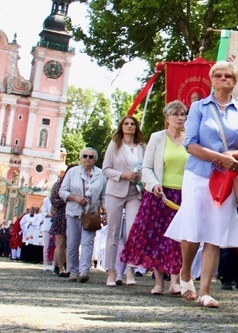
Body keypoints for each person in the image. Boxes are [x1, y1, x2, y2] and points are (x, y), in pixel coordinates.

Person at [165, 61, 238, 308]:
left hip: (225, 178)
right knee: (193, 230)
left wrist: (230, 159)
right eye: (219, 75)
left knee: (215, 233)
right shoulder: (198, 107)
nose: (224, 79)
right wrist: (218, 158)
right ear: (212, 80)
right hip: (199, 174)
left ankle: (205, 290)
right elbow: (190, 144)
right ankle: (185, 273)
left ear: (235, 82)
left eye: (229, 76)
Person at [121, 101, 189, 295]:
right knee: (158, 237)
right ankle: (158, 282)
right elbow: (147, 167)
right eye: (175, 114)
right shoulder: (157, 138)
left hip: (182, 195)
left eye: (182, 114)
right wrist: (153, 184)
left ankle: (175, 281)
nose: (179, 117)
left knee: (178, 238)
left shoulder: (190, 139)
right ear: (167, 118)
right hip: (160, 194)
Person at [102, 116, 146, 286]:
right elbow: (106, 169)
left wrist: (143, 181)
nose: (129, 126)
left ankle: (129, 270)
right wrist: (122, 175)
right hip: (115, 191)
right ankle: (111, 271)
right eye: (126, 124)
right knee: (113, 231)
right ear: (121, 127)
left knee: (132, 230)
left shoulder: (142, 147)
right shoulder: (115, 145)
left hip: (135, 192)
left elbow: (146, 167)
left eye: (132, 124)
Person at [60, 147, 107, 283]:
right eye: (85, 156)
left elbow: (104, 196)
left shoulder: (101, 175)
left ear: (95, 159)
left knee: (87, 243)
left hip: (91, 214)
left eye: (91, 157)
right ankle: (73, 271)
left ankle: (84, 271)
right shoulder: (72, 173)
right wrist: (75, 198)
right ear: (81, 158)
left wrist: (105, 211)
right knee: (72, 243)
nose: (87, 159)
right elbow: (62, 191)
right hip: (74, 212)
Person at [50, 166, 73, 277]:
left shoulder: (78, 184)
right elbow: (54, 200)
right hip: (61, 215)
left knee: (72, 244)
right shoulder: (59, 184)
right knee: (60, 243)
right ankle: (59, 268)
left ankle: (70, 268)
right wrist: (69, 198)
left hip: (74, 214)